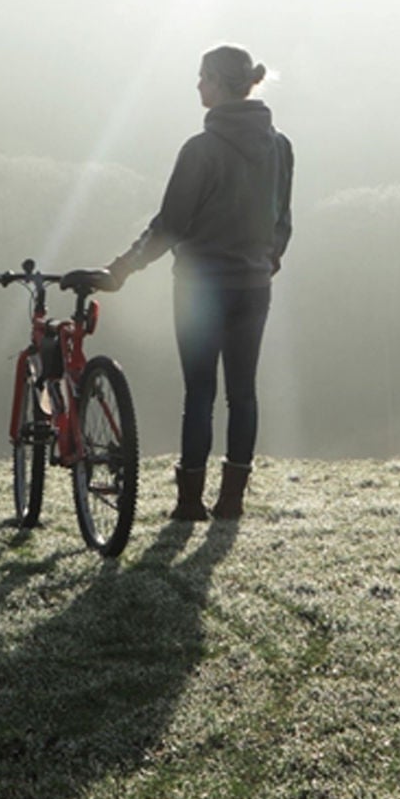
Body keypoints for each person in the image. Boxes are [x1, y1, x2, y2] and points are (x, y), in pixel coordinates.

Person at [103, 44, 293, 522]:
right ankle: (232, 501)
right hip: (253, 287)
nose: (198, 86)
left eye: (203, 77)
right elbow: (281, 220)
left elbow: (170, 225)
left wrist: (122, 268)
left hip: (200, 287)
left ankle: (189, 503)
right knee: (243, 392)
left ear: (220, 82)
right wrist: (264, 262)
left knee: (200, 393)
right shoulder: (280, 145)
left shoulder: (201, 149)